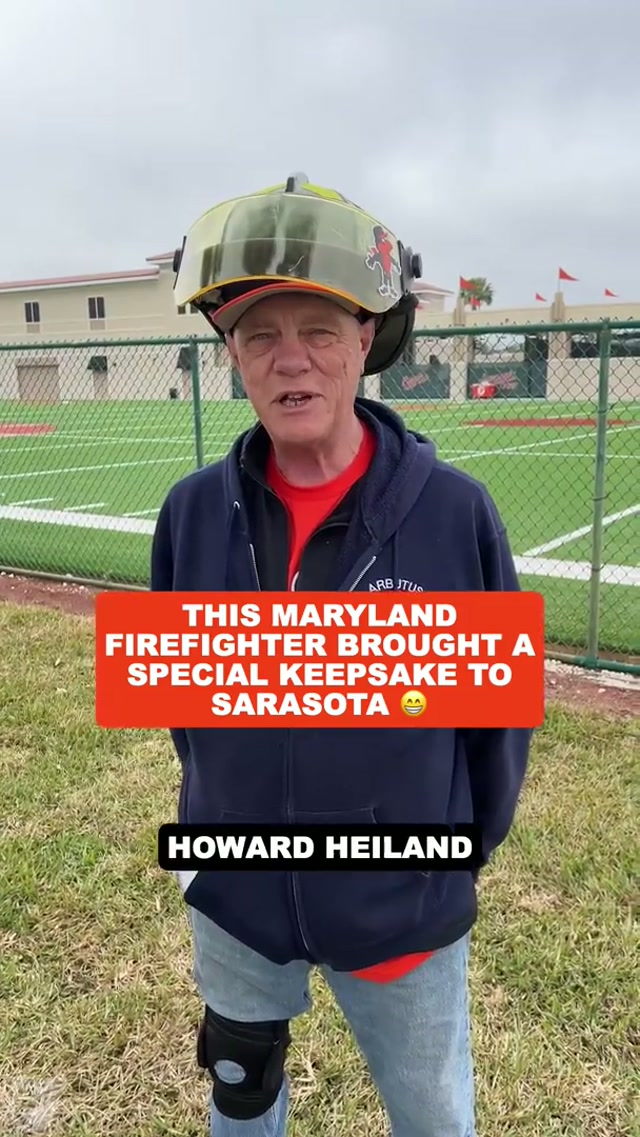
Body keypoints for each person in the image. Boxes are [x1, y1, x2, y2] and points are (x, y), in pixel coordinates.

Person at [151, 173, 532, 1137]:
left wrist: (445, 863)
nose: (292, 360)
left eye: (319, 330)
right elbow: (187, 715)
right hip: (236, 895)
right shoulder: (191, 514)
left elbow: (499, 723)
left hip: (403, 906)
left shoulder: (456, 515)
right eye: (259, 334)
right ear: (232, 354)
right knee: (240, 1095)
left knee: (433, 1116)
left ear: (367, 339)